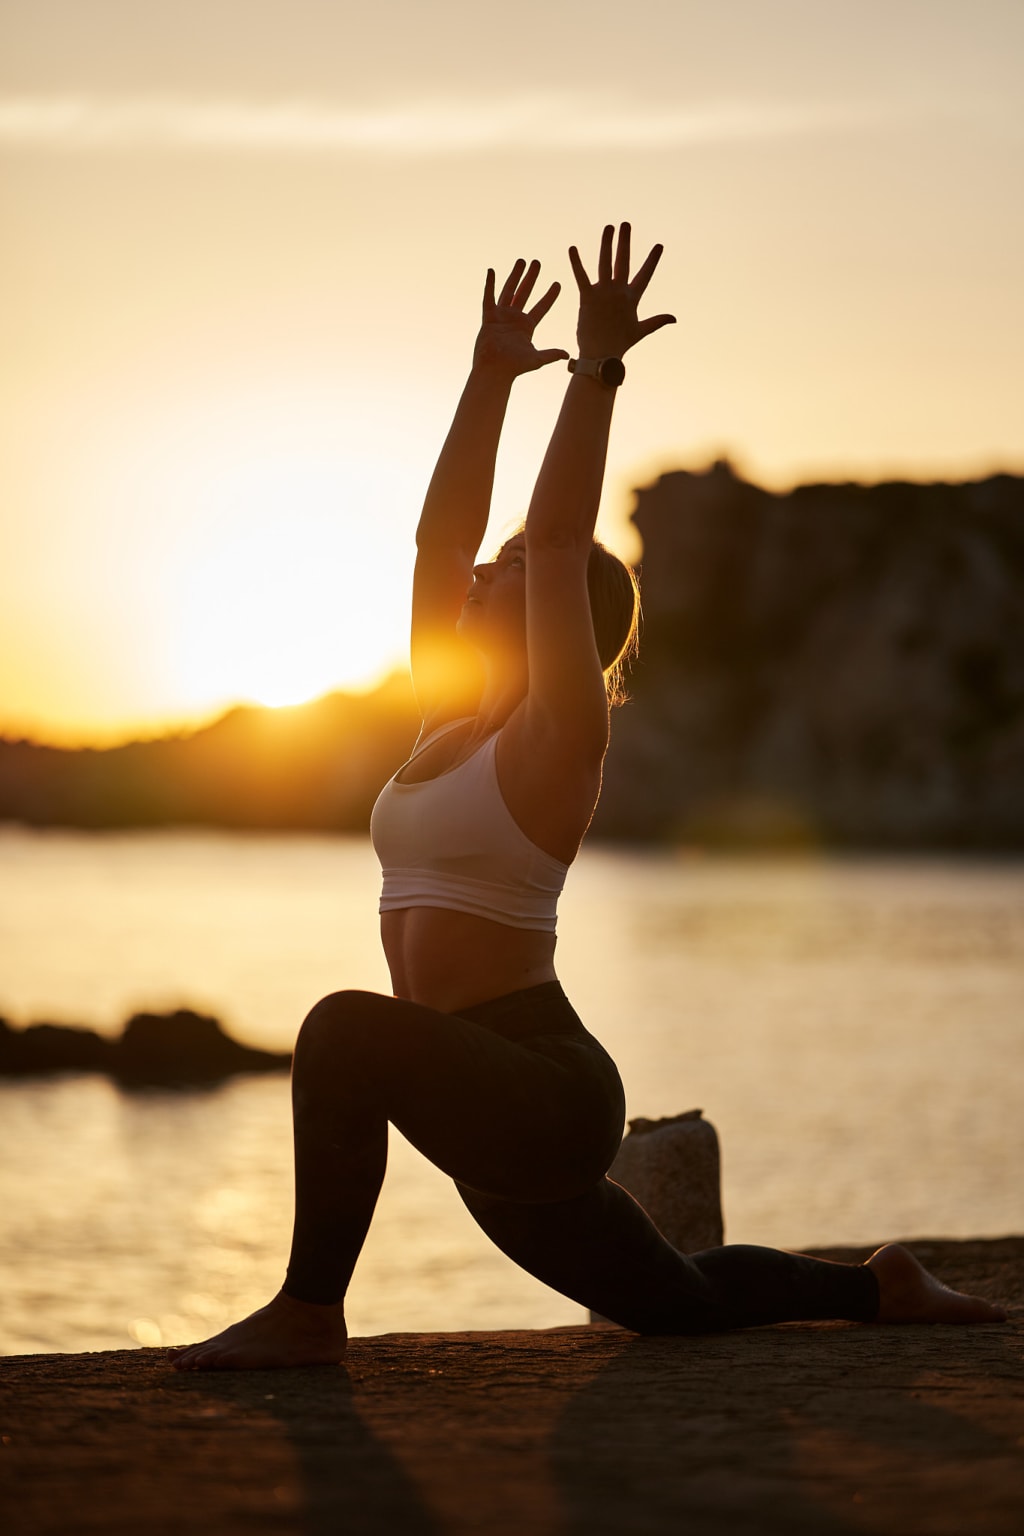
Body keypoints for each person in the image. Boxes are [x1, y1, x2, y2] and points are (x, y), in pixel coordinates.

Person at [171, 225, 1003, 1370]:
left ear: (557, 618)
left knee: (340, 1031)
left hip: (538, 1084)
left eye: (507, 569)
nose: (483, 570)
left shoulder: (557, 740)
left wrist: (594, 369)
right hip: (477, 1088)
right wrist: (485, 377)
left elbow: (561, 539)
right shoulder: (444, 721)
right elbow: (434, 538)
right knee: (677, 1305)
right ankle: (878, 1288)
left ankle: (311, 1312)